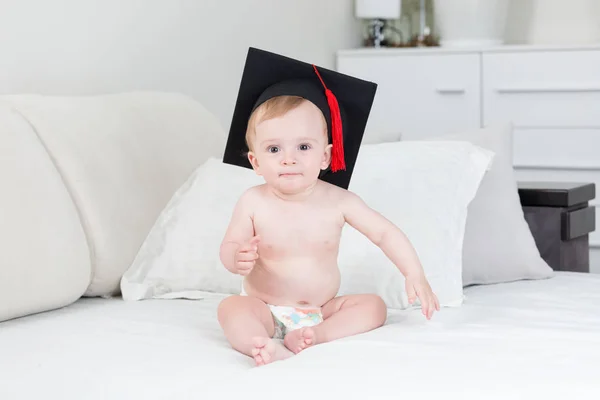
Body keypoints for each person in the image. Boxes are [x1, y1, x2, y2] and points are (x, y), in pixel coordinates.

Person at [217, 47, 439, 367]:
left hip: (321, 309)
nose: (289, 158)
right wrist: (236, 258)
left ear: (325, 156)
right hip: (263, 306)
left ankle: (314, 336)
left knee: (374, 307)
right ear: (255, 161)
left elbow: (384, 233)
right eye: (274, 148)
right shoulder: (253, 201)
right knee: (230, 309)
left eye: (303, 146)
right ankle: (261, 343)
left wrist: (414, 271)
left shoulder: (339, 201)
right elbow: (230, 245)